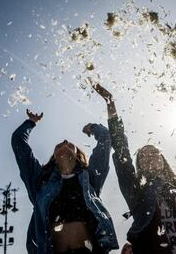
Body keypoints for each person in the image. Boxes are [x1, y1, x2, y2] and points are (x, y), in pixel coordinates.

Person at [92, 82, 176, 254]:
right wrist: (111, 104)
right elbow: (121, 150)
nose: (150, 157)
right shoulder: (135, 189)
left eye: (154, 153)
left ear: (163, 160)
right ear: (139, 165)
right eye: (144, 156)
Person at [11, 109, 119, 254]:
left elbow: (105, 139)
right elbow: (19, 143)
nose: (65, 141)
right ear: (54, 156)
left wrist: (92, 128)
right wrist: (31, 122)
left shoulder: (90, 177)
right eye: (59, 144)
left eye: (70, 144)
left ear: (77, 155)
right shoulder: (40, 181)